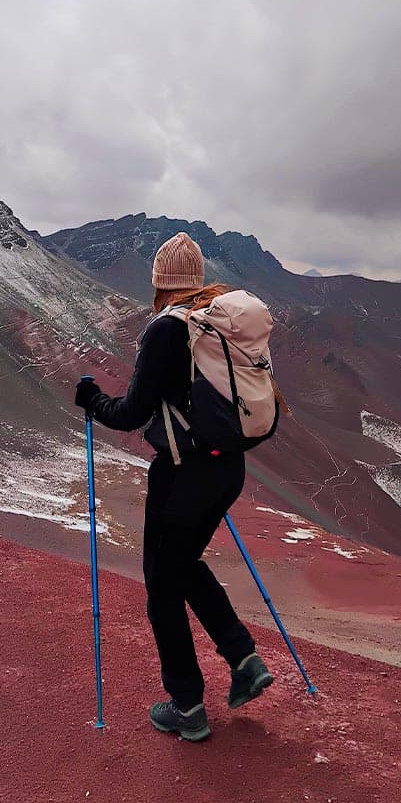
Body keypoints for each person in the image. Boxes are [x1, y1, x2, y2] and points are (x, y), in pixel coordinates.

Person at [74, 231, 272, 742]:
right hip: (227, 469)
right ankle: (242, 658)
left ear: (159, 281)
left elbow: (132, 411)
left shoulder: (167, 329)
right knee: (181, 568)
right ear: (198, 279)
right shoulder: (214, 322)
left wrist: (91, 399)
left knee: (162, 586)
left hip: (183, 474)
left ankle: (187, 705)